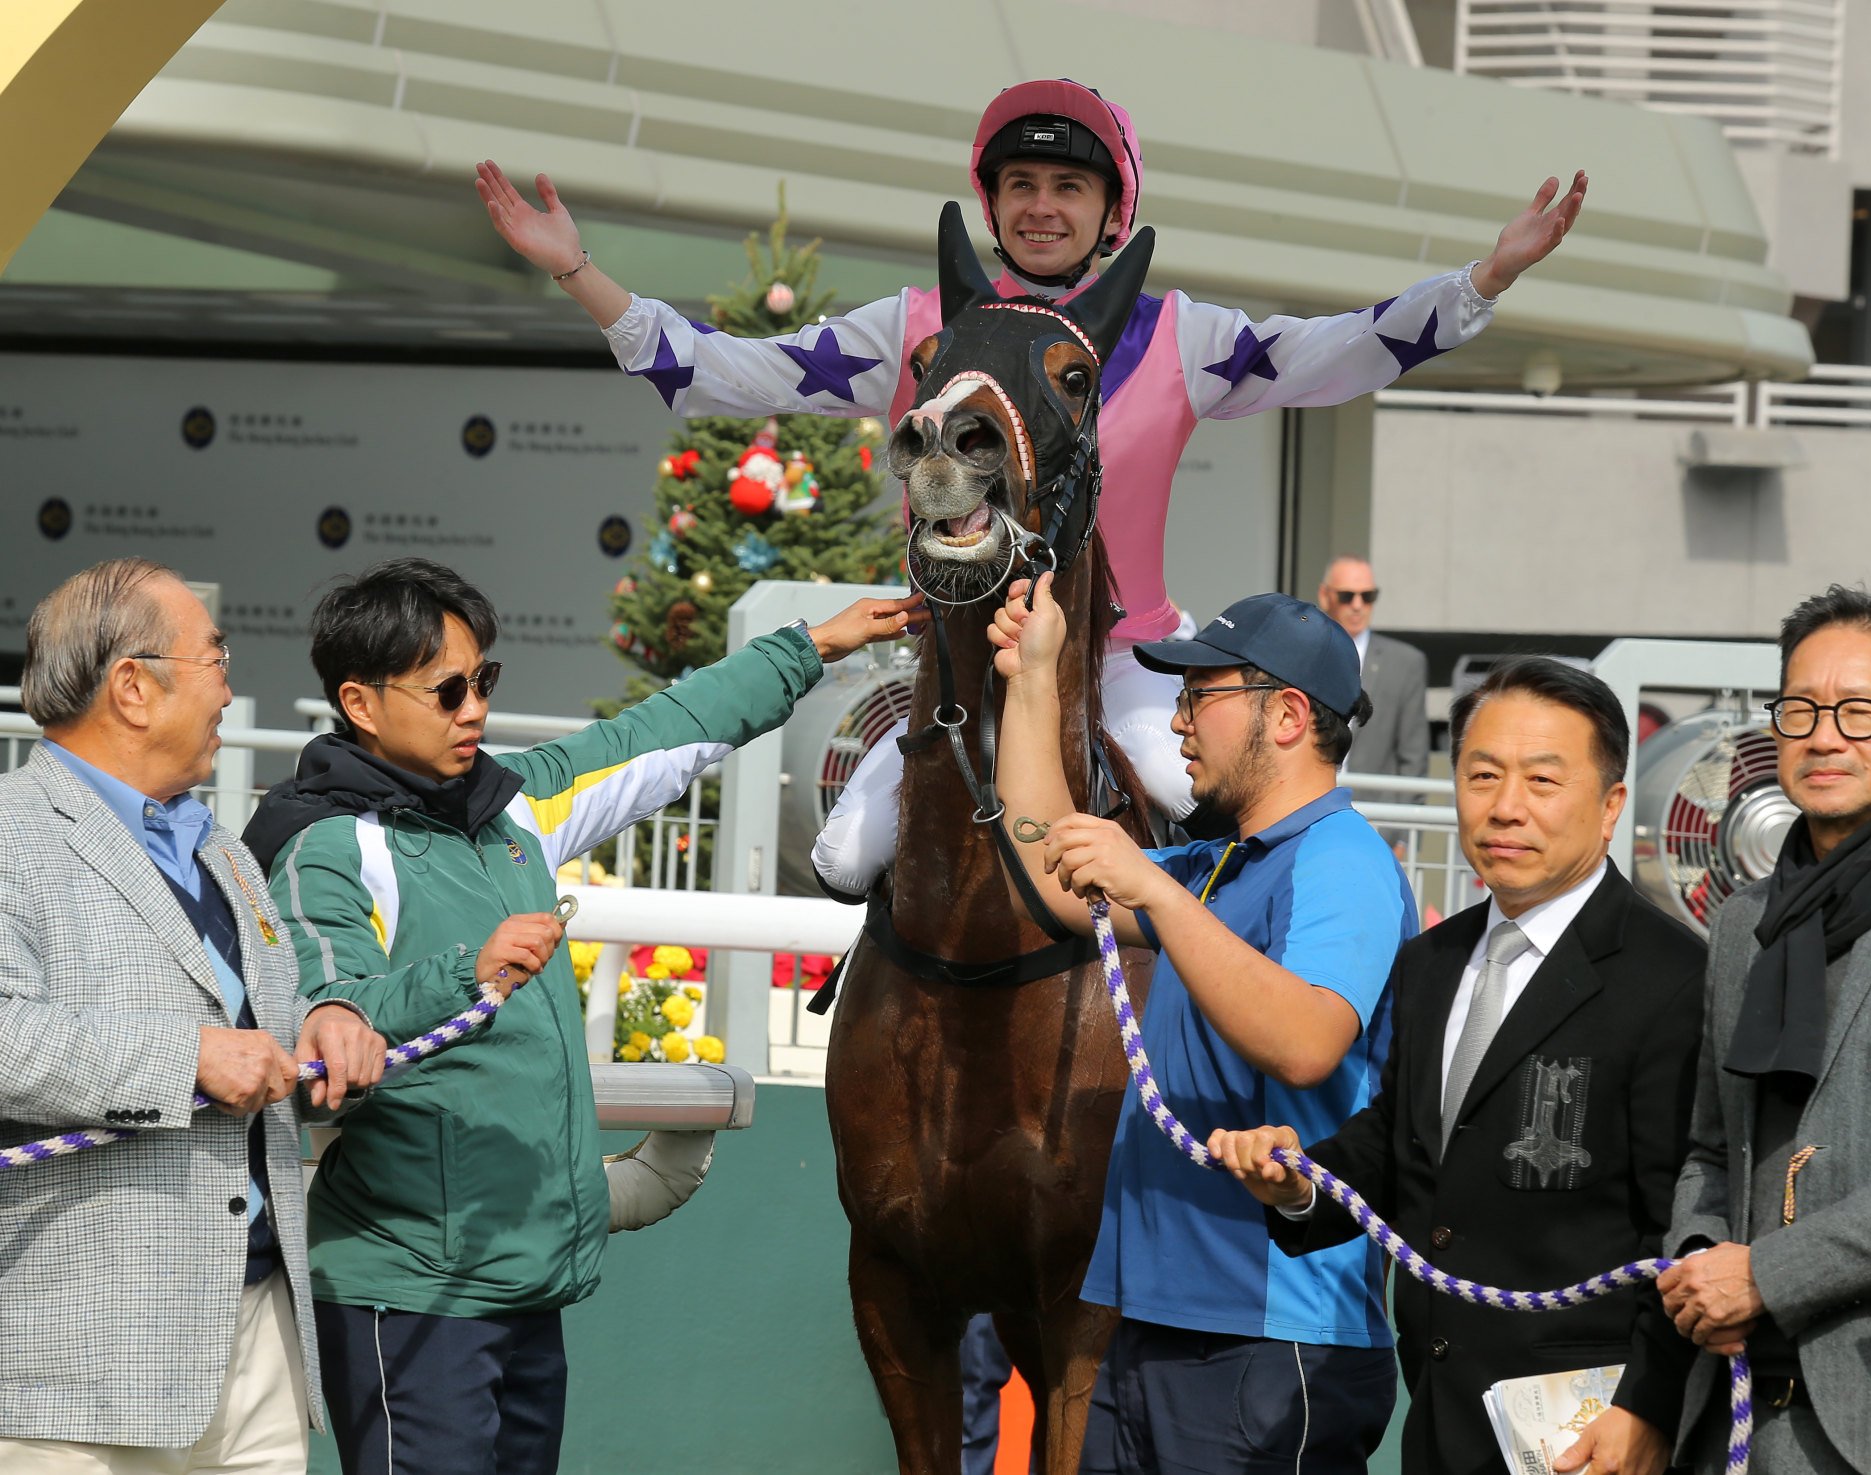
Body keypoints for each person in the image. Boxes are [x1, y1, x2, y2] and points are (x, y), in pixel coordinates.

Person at [477, 77, 1587, 900]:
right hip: (963, 659)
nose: (1041, 206)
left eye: (1068, 185)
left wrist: (1483, 279)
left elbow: (1344, 351)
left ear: (1114, 207)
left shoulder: (1178, 332)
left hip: (1129, 661)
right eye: (1020, 185)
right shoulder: (917, 327)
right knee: (847, 852)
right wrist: (579, 271)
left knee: (1204, 810)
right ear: (988, 198)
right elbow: (724, 371)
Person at [241, 557, 920, 1475]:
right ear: (359, 703)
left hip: (526, 1282)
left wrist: (819, 645)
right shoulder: (323, 845)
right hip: (410, 1289)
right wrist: (461, 973)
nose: (473, 708)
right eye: (447, 689)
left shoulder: (510, 803)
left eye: (485, 680)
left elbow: (665, 730)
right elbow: (330, 1013)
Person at [1210, 657, 1705, 1475]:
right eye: (1482, 775)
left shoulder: (1671, 979)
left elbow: (1685, 1219)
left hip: (1587, 1429)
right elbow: (1403, 1143)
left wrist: (1649, 1404)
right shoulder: (1433, 959)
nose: (1506, 806)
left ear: (1611, 804)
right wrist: (1303, 1184)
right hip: (1440, 1413)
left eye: (1543, 780)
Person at [987, 576, 1411, 1474]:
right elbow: (1046, 867)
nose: (1178, 720)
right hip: (1158, 1323)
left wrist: (1154, 891)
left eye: (1199, 695)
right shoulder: (1216, 865)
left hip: (1274, 1338)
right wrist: (1031, 681)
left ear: (1288, 714)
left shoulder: (1342, 856)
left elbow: (1307, 1040)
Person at [0, 559, 385, 1471]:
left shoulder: (221, 845)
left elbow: (264, 1034)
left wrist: (327, 1022)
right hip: (79, 1364)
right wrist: (187, 1058)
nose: (229, 686)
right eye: (215, 657)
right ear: (133, 685)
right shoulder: (12, 829)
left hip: (258, 1336)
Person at [1659, 585, 1871, 1473]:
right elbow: (1709, 1146)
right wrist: (1699, 1262)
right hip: (1730, 1403)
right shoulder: (1744, 921)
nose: (1822, 734)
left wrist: (1772, 1273)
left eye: (1859, 710)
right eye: (1800, 708)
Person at [1319, 554, 1429, 784]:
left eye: (1368, 596)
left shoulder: (1405, 663)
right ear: (1325, 595)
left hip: (1378, 810)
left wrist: (1403, 817)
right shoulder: (1305, 653)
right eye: (1347, 596)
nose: (1358, 606)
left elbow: (1414, 756)